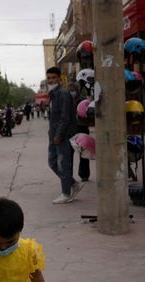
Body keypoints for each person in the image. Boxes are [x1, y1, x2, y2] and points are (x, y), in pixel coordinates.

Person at [46, 67, 82, 204]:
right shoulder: (53, 94)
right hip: (53, 135)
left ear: (59, 79)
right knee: (52, 162)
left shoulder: (63, 93)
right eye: (49, 78)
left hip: (62, 135)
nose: (51, 80)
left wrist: (59, 135)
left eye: (53, 78)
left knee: (63, 164)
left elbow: (65, 117)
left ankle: (66, 193)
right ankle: (73, 184)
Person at [69, 81, 91, 182]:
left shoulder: (83, 102)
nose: (72, 91)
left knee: (84, 154)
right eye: (70, 89)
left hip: (82, 130)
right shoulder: (66, 101)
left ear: (77, 90)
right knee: (69, 155)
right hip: (70, 132)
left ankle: (84, 175)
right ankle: (69, 176)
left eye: (73, 89)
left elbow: (89, 115)